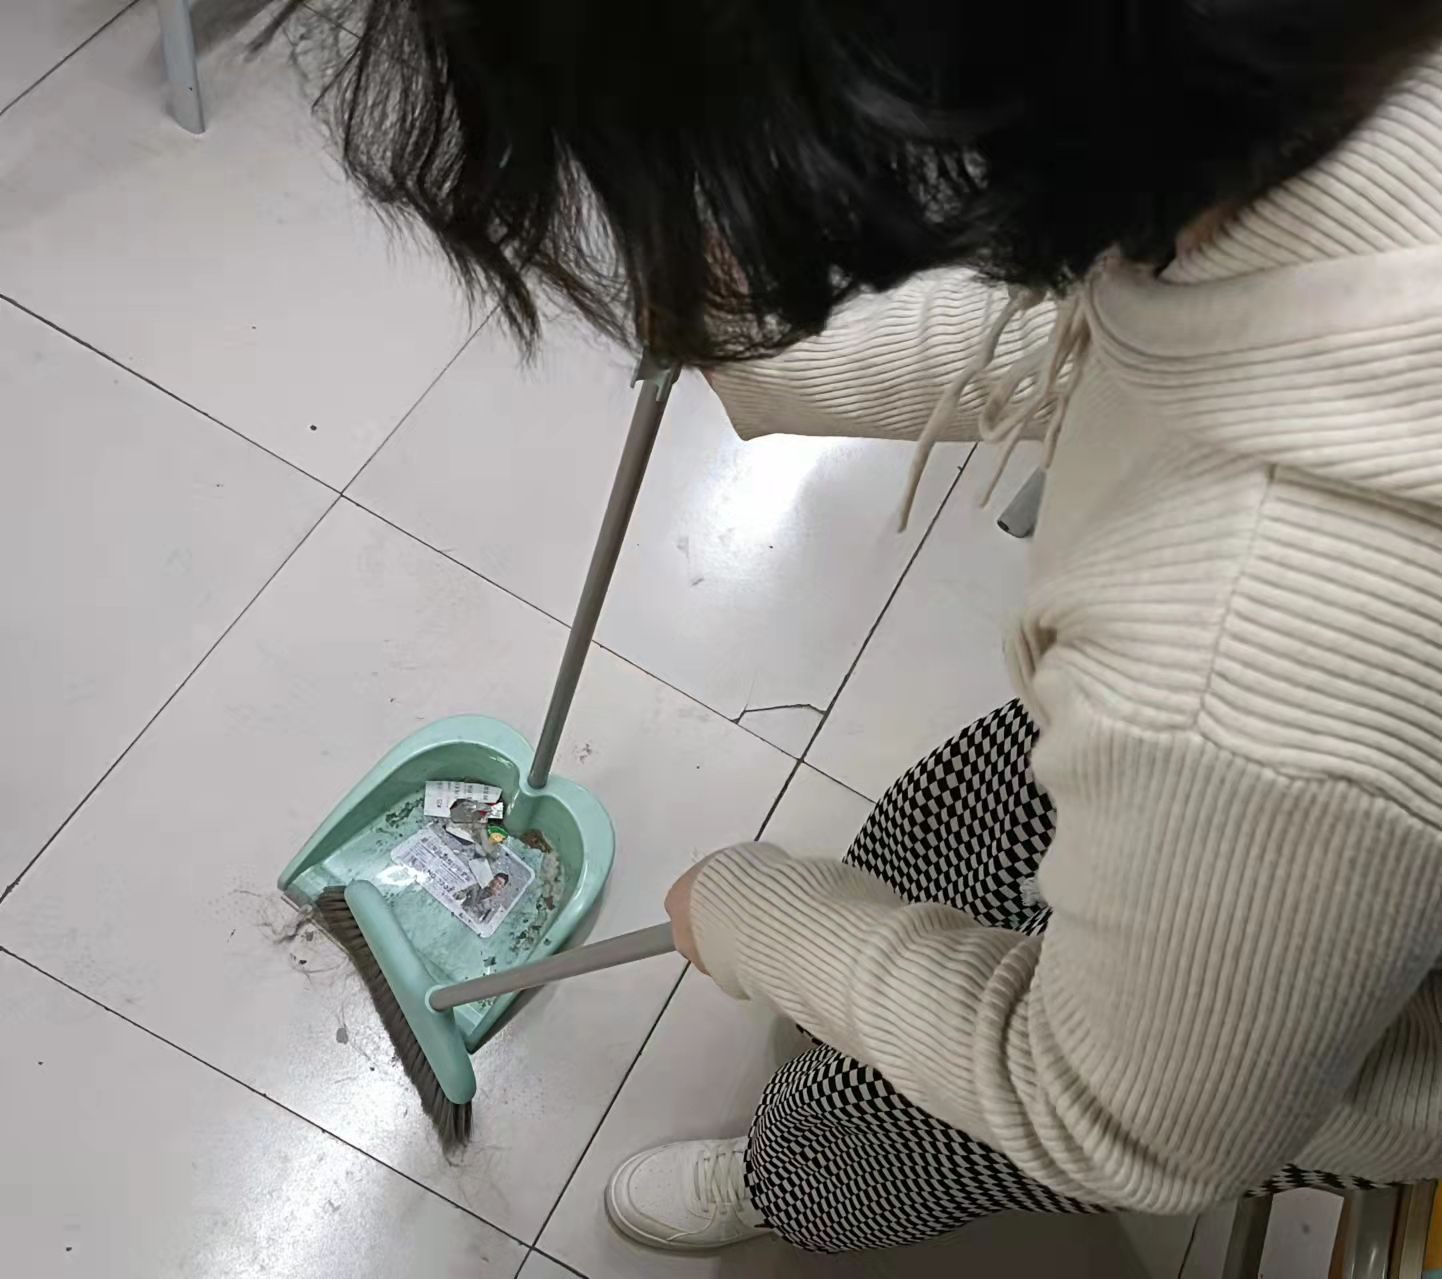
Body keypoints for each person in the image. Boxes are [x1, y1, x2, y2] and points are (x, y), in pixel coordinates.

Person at [264, 0, 1442, 1255]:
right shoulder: (1291, 104)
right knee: (942, 833)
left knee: (903, 1123)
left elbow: (1116, 1116)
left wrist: (758, 916)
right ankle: (851, 979)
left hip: (1264, 1035)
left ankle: (790, 1178)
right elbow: (1113, 328)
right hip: (1203, 768)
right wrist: (766, 360)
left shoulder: (1241, 669)